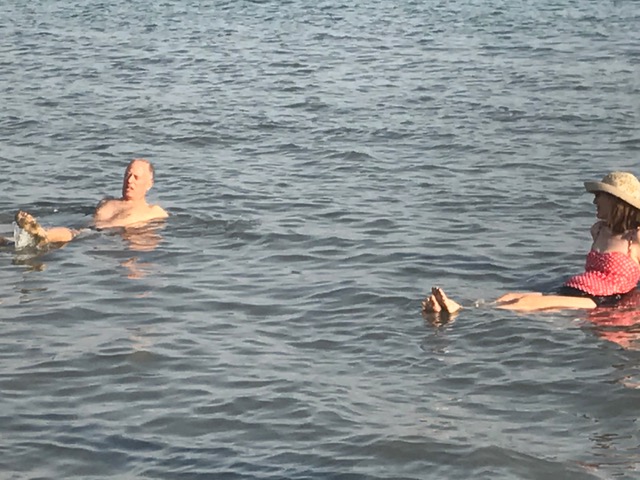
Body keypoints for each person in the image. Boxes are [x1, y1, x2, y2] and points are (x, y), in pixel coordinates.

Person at [423, 171, 640, 313]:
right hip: (574, 288)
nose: (594, 201)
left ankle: (460, 311)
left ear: (615, 201)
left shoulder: (635, 238)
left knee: (525, 304)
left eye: (599, 196)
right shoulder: (599, 230)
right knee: (510, 296)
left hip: (603, 300)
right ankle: (462, 307)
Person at [11, 158, 168, 246]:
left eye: (136, 177)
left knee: (74, 233)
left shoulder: (154, 211)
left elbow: (152, 241)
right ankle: (29, 236)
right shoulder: (107, 201)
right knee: (9, 241)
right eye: (127, 175)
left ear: (149, 184)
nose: (130, 181)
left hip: (104, 237)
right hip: (84, 226)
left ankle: (42, 235)